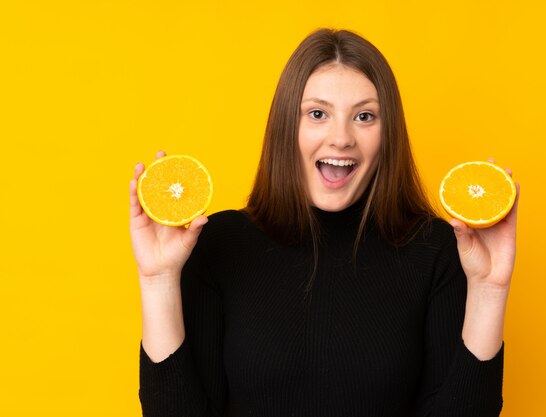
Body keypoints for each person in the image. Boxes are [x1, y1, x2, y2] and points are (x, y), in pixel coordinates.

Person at [130, 28, 519, 417]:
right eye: (317, 114)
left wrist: (489, 289)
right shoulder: (219, 244)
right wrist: (158, 281)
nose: (341, 138)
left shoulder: (437, 249)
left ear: (388, 135)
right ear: (286, 126)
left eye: (364, 116)